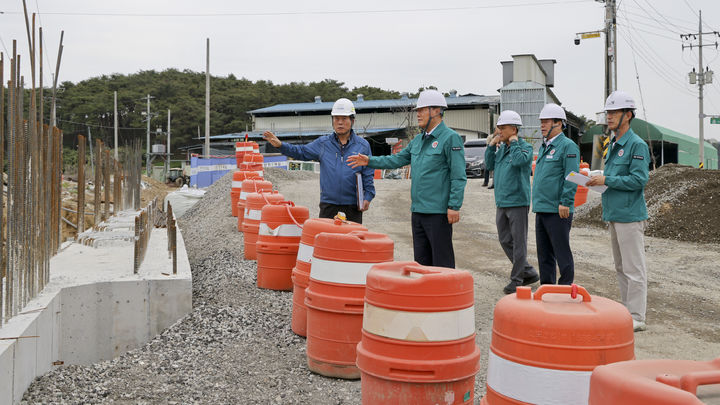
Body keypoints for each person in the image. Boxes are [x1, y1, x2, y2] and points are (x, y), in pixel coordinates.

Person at [347, 89, 466, 268]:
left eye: (421, 110)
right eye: (417, 110)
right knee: (421, 262)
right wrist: (369, 161)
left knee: (442, 262)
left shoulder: (451, 138)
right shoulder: (418, 141)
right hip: (418, 212)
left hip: (438, 212)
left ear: (436, 111)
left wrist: (454, 206)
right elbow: (396, 159)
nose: (417, 114)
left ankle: (443, 295)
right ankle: (424, 295)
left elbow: (458, 176)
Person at [587, 90, 650, 332]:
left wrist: (607, 179)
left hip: (630, 215)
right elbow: (612, 177)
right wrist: (597, 179)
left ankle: (637, 316)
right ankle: (627, 312)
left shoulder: (636, 145)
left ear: (628, 115)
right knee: (621, 267)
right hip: (614, 213)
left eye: (614, 112)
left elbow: (638, 180)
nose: (609, 117)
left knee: (634, 268)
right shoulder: (612, 144)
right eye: (608, 112)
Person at [262, 98, 375, 224]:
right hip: (328, 205)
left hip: (353, 206)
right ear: (332, 121)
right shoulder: (323, 144)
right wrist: (280, 145)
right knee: (326, 241)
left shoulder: (363, 145)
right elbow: (301, 151)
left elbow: (368, 173)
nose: (340, 123)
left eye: (344, 119)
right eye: (336, 119)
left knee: (352, 241)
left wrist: (368, 196)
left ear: (352, 121)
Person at [486, 110, 539, 294]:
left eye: (503, 127)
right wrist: (491, 146)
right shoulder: (502, 148)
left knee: (519, 242)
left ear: (514, 129)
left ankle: (517, 280)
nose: (499, 130)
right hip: (502, 201)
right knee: (504, 239)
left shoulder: (524, 147)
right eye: (498, 127)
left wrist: (514, 142)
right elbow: (489, 165)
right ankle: (529, 272)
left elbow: (518, 162)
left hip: (517, 201)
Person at [532, 103, 580, 285]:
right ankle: (547, 289)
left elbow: (572, 176)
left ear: (559, 123)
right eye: (541, 122)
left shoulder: (568, 147)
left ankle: (566, 288)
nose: (542, 125)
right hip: (542, 208)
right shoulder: (545, 146)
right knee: (544, 255)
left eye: (546, 121)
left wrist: (566, 202)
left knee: (561, 253)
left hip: (558, 209)